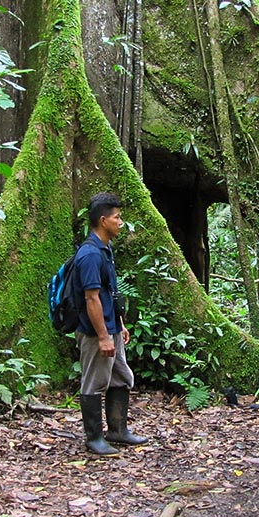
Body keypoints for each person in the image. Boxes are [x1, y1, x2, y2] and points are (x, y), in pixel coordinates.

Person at [74, 192, 147, 456]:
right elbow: (91, 299)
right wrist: (103, 336)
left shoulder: (105, 250)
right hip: (95, 332)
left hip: (111, 327)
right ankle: (93, 438)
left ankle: (117, 430)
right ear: (103, 220)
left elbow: (108, 293)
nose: (121, 222)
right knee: (94, 382)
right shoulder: (90, 255)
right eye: (117, 218)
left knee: (120, 377)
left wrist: (119, 324)